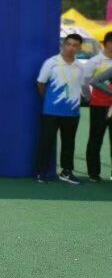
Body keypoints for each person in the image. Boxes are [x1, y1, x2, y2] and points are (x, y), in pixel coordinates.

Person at [35, 33, 84, 184]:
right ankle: (41, 172)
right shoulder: (51, 63)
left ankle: (66, 172)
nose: (71, 48)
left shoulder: (80, 67)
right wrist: (50, 100)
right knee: (46, 142)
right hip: (51, 111)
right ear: (63, 45)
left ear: (79, 48)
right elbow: (40, 83)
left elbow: (79, 87)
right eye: (68, 44)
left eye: (75, 45)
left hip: (72, 112)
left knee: (69, 143)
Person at [83, 32, 112, 182]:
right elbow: (85, 83)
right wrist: (89, 97)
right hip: (99, 106)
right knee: (96, 138)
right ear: (107, 43)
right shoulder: (94, 61)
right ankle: (93, 173)